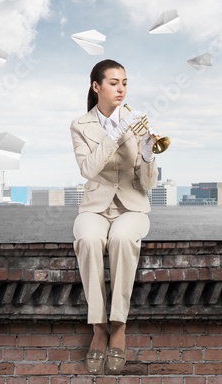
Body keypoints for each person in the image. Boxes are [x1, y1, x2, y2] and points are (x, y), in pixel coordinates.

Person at [70, 59, 161, 375]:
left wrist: (148, 155)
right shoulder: (79, 126)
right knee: (87, 237)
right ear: (96, 87)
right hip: (94, 206)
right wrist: (117, 132)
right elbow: (88, 169)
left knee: (123, 238)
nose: (121, 88)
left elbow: (147, 183)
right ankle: (98, 328)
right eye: (113, 82)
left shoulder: (139, 124)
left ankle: (119, 325)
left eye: (124, 82)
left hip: (132, 207)